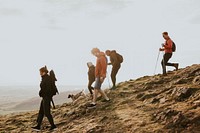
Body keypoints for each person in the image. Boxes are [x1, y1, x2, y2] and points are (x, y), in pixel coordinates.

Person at [32, 66, 57, 131]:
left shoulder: (47, 79)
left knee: (47, 112)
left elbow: (47, 89)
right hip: (44, 97)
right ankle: (38, 126)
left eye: (40, 72)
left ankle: (53, 126)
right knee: (41, 111)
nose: (39, 73)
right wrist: (41, 93)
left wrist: (42, 93)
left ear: (44, 72)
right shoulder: (44, 78)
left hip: (47, 97)